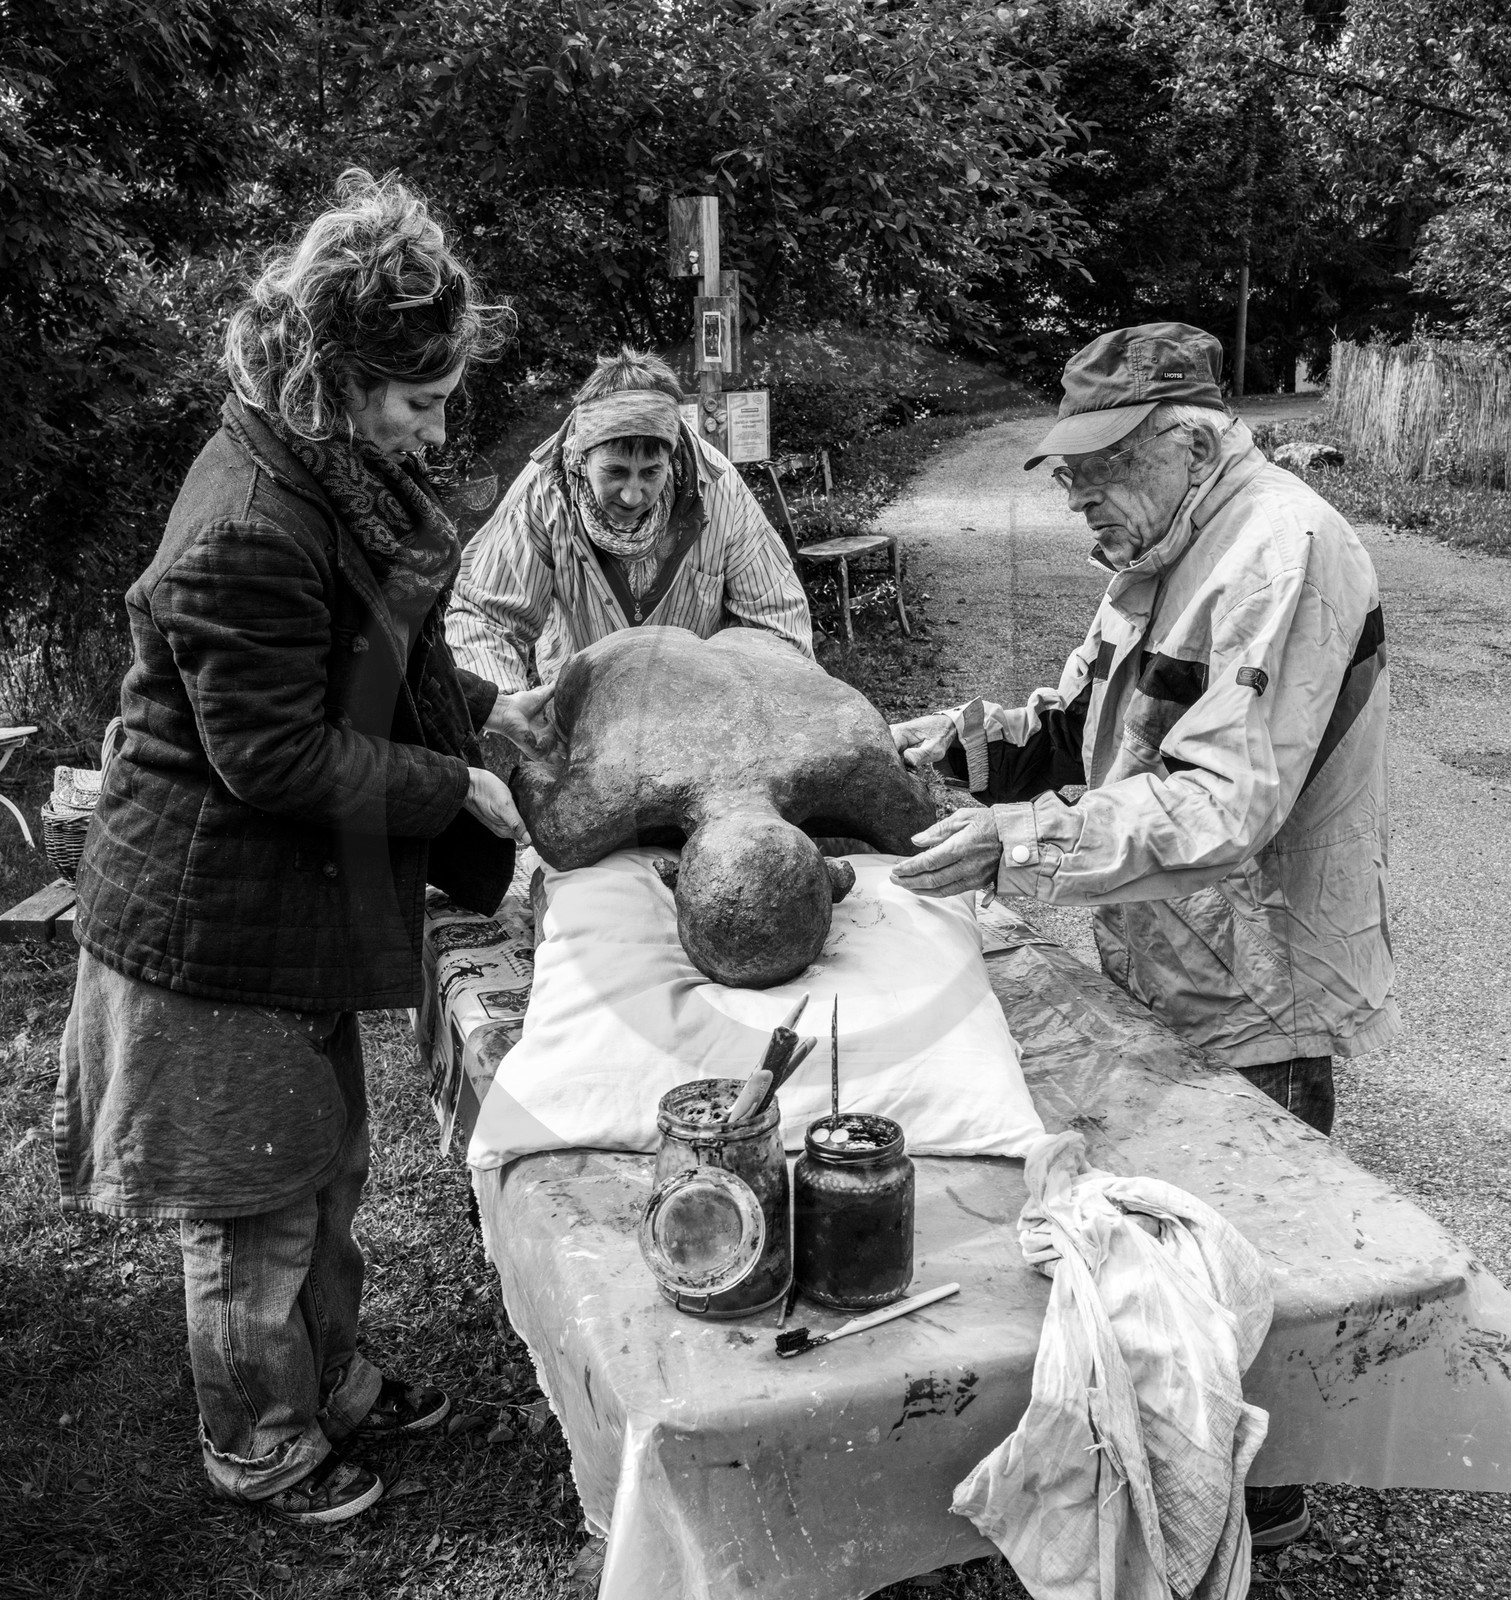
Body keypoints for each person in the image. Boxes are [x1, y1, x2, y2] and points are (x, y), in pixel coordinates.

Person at [54, 169, 551, 1525]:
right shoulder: (247, 528)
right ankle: (260, 1439)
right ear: (338, 374)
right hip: (209, 922)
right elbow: (269, 754)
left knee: (324, 1164)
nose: (438, 426)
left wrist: (487, 713)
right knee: (254, 1202)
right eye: (421, 398)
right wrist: (451, 784)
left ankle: (330, 1379)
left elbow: (363, 657)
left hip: (281, 902)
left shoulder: (319, 464)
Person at [889, 321, 1397, 1550]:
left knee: (1253, 1247)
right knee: (1179, 1243)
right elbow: (1091, 727)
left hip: (1261, 974)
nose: (1077, 497)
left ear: (1189, 442)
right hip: (1171, 948)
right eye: (1067, 472)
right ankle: (1191, 1463)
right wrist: (974, 746)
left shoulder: (1279, 550)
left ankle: (1258, 1496)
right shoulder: (1160, 541)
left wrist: (1019, 842)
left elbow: (1224, 804)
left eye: (1099, 468)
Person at [445, 347, 811, 690]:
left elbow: (777, 625)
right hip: (581, 705)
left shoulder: (719, 490)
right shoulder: (545, 491)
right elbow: (485, 619)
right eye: (615, 471)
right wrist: (511, 708)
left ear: (671, 459)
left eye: (651, 472)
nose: (632, 495)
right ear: (582, 456)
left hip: (696, 704)